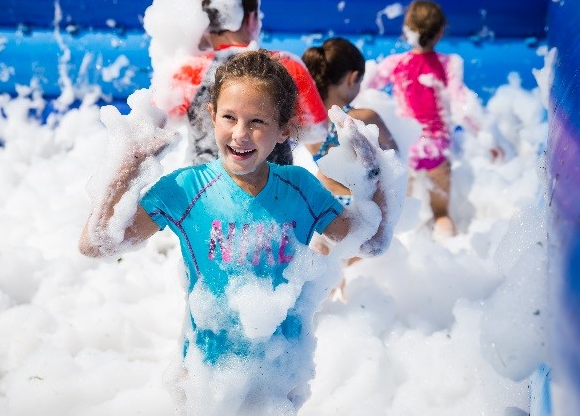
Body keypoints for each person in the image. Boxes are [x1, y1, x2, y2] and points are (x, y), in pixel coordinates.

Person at [79, 50, 393, 413]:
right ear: (212, 115)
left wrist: (376, 176)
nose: (240, 134)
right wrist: (126, 165)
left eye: (258, 121)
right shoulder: (185, 189)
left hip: (279, 377)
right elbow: (96, 244)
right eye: (229, 117)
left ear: (284, 130)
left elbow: (370, 242)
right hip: (205, 378)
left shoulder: (301, 189)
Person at [168, 0, 328, 166]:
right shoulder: (285, 66)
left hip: (203, 191)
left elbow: (154, 129)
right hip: (273, 193)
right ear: (252, 17)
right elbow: (316, 131)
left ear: (205, 19)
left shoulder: (187, 70)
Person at [365, 0, 458, 237]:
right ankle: (443, 223)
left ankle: (401, 236)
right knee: (441, 200)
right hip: (436, 147)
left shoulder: (395, 63)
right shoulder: (448, 64)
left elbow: (367, 88)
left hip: (408, 146)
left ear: (407, 32)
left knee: (402, 204)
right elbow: (461, 101)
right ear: (440, 32)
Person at [302, 37, 398, 207]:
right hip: (359, 207)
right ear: (352, 78)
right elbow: (395, 156)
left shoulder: (306, 124)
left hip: (322, 206)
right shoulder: (365, 118)